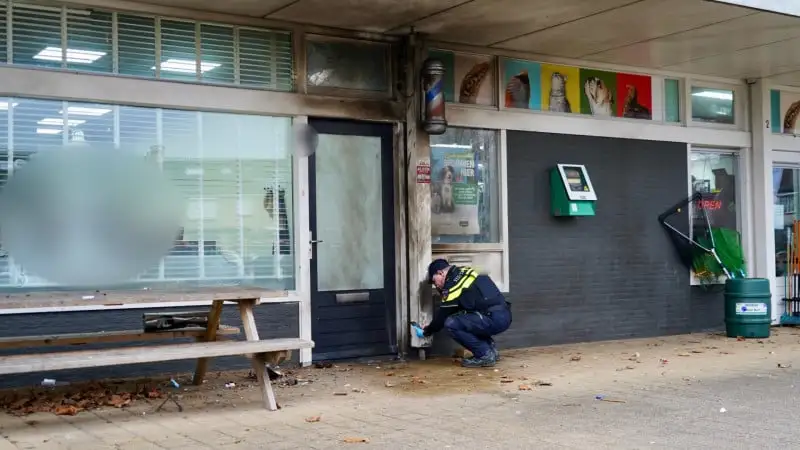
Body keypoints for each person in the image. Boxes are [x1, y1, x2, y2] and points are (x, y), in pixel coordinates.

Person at [420, 258, 512, 367]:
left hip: (492, 318)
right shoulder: (469, 271)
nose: (436, 285)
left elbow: (442, 317)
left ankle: (484, 354)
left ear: (441, 273)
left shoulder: (452, 284)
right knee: (467, 318)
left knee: (451, 323)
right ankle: (490, 350)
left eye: (434, 281)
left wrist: (428, 331)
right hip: (504, 315)